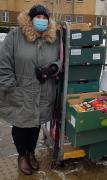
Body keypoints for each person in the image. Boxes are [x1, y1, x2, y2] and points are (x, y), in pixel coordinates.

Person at [0, 4, 62, 175]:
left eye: (45, 18)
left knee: (35, 124)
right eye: (38, 17)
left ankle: (31, 153)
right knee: (21, 125)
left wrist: (52, 69)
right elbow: (4, 61)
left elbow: (60, 58)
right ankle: (21, 155)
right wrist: (9, 85)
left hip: (43, 89)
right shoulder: (15, 35)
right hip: (21, 89)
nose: (41, 20)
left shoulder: (53, 37)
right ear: (30, 18)